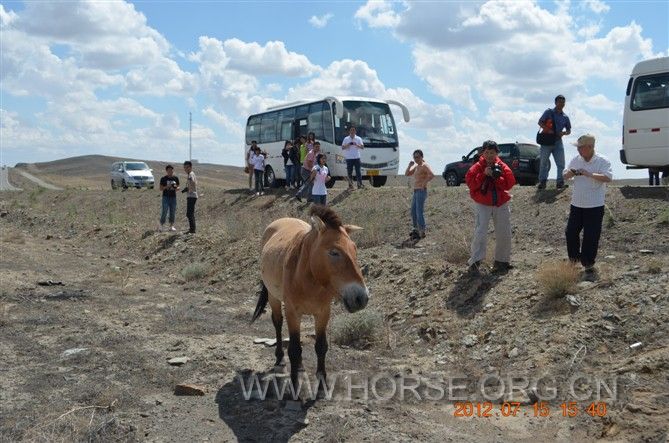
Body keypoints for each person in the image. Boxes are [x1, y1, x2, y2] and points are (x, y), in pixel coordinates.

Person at [563, 134, 613, 281]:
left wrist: (589, 174)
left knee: (591, 236)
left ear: (590, 147)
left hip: (595, 205)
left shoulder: (602, 160)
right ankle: (573, 260)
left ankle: (588, 264)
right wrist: (571, 172)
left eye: (581, 147)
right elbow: (565, 176)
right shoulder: (575, 160)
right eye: (577, 147)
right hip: (577, 204)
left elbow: (608, 177)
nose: (578, 150)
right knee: (570, 232)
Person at [465, 140, 516, 275]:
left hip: (500, 203)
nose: (489, 155)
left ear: (496, 153)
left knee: (504, 232)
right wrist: (483, 175)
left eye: (492, 153)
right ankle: (475, 261)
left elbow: (509, 183)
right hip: (483, 203)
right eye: (486, 152)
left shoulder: (502, 166)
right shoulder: (477, 167)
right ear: (482, 153)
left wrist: (496, 177)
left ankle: (502, 261)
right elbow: (470, 183)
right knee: (480, 231)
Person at [537, 94, 572, 189]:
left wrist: (564, 133)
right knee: (544, 163)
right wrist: (548, 129)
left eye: (563, 102)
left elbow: (569, 130)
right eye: (560, 102)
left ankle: (560, 182)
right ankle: (542, 182)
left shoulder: (565, 117)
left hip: (558, 141)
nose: (562, 104)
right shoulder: (548, 112)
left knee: (561, 163)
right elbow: (540, 122)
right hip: (547, 140)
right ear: (555, 102)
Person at [405, 149, 435, 239]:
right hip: (416, 191)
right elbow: (407, 174)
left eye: (417, 157)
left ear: (422, 157)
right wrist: (409, 165)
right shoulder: (417, 166)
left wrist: (424, 183)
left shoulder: (424, 165)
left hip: (421, 191)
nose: (416, 159)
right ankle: (416, 229)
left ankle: (422, 230)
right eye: (414, 157)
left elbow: (432, 175)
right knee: (413, 211)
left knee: (419, 211)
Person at [158, 165, 180, 232]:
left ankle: (171, 226)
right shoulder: (163, 178)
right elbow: (160, 188)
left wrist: (176, 188)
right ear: (166, 171)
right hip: (165, 197)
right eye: (169, 170)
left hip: (173, 197)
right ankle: (161, 225)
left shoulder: (176, 178)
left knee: (172, 211)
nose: (170, 171)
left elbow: (178, 187)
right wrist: (166, 187)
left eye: (171, 170)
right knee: (164, 211)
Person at [182, 161, 198, 234]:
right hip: (191, 195)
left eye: (187, 167)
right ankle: (192, 229)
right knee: (190, 213)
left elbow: (193, 183)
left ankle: (192, 230)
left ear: (190, 167)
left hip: (192, 195)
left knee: (189, 213)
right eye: (185, 167)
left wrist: (188, 189)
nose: (186, 169)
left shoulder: (190, 174)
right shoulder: (191, 174)